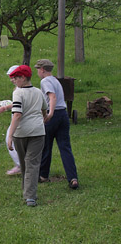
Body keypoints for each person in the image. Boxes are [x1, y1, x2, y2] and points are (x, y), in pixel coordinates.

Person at [7, 65, 48, 207]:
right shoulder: (38, 92)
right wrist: (42, 119)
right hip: (38, 131)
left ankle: (30, 196)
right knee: (31, 163)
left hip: (21, 133)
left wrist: (10, 135)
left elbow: (17, 114)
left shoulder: (18, 93)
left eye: (16, 78)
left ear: (23, 78)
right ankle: (28, 192)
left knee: (27, 163)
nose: (14, 80)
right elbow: (45, 110)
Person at [34, 59, 79, 189]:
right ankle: (73, 178)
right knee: (65, 147)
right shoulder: (55, 80)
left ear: (42, 69)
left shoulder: (45, 81)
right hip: (64, 115)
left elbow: (52, 97)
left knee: (46, 145)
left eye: (38, 69)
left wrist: (50, 113)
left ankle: (43, 175)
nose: (37, 71)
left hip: (53, 115)